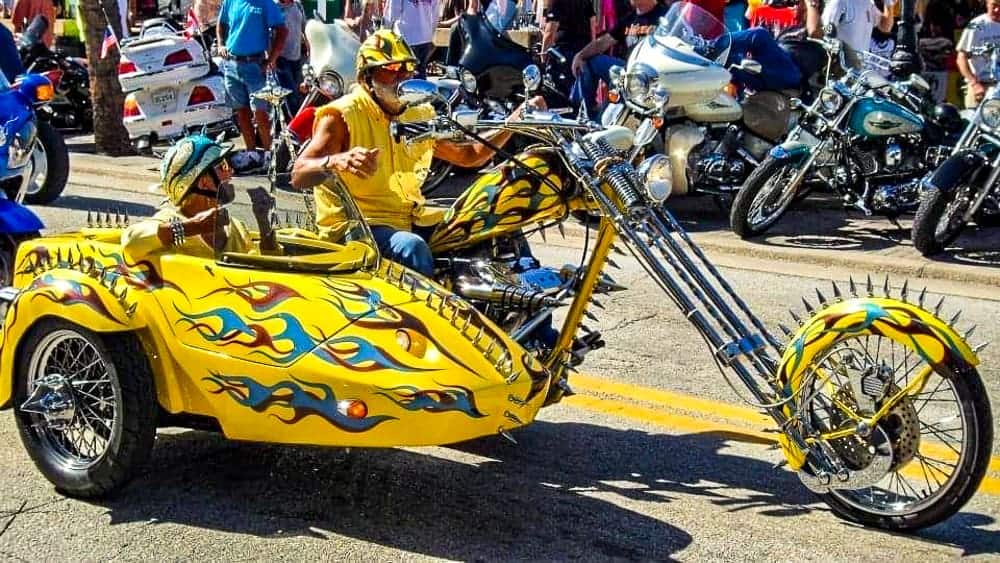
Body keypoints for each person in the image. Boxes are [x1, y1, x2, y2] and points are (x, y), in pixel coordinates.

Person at [290, 29, 542, 276]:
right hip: (356, 227)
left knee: (494, 221)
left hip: (410, 218)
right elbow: (299, 174)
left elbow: (469, 156)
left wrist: (515, 119)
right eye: (391, 69)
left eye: (407, 68)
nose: (402, 76)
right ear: (367, 78)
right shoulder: (343, 115)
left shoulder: (418, 114)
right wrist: (337, 161)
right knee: (412, 247)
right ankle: (423, 317)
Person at [122, 135, 278, 261]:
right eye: (223, 165)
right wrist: (193, 227)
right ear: (203, 181)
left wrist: (265, 226)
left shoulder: (235, 227)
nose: (230, 171)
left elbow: (262, 271)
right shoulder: (169, 218)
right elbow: (131, 241)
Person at [216, 0, 288, 170]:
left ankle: (270, 156)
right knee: (241, 112)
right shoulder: (231, 1)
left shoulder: (265, 3)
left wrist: (272, 59)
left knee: (260, 113)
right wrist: (221, 44)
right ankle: (251, 154)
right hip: (232, 65)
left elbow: (282, 31)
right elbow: (221, 23)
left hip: (255, 65)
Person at [569, 0, 669, 117]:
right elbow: (603, 42)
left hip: (652, 77)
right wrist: (580, 55)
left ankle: (601, 120)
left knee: (616, 90)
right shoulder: (629, 19)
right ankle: (582, 115)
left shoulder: (665, 16)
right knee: (590, 61)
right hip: (628, 71)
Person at [821, 0, 896, 68]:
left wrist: (888, 3)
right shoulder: (839, 2)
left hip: (861, 70)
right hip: (841, 68)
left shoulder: (868, 4)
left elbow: (885, 27)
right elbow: (826, 29)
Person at [957, 0, 1000, 108]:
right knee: (973, 121)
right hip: (980, 85)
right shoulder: (976, 25)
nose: (997, 10)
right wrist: (974, 84)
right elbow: (961, 57)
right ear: (987, 4)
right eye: (994, 5)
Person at [383, 0, 440, 78]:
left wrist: (385, 33)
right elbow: (435, 15)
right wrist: (430, 34)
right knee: (420, 73)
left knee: (405, 75)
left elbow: (393, 14)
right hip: (425, 37)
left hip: (406, 37)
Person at [275, 0, 307, 111]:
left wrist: (309, 48)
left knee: (300, 92)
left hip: (298, 57)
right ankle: (292, 124)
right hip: (281, 58)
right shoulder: (274, 7)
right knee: (291, 94)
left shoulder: (298, 5)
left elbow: (305, 29)